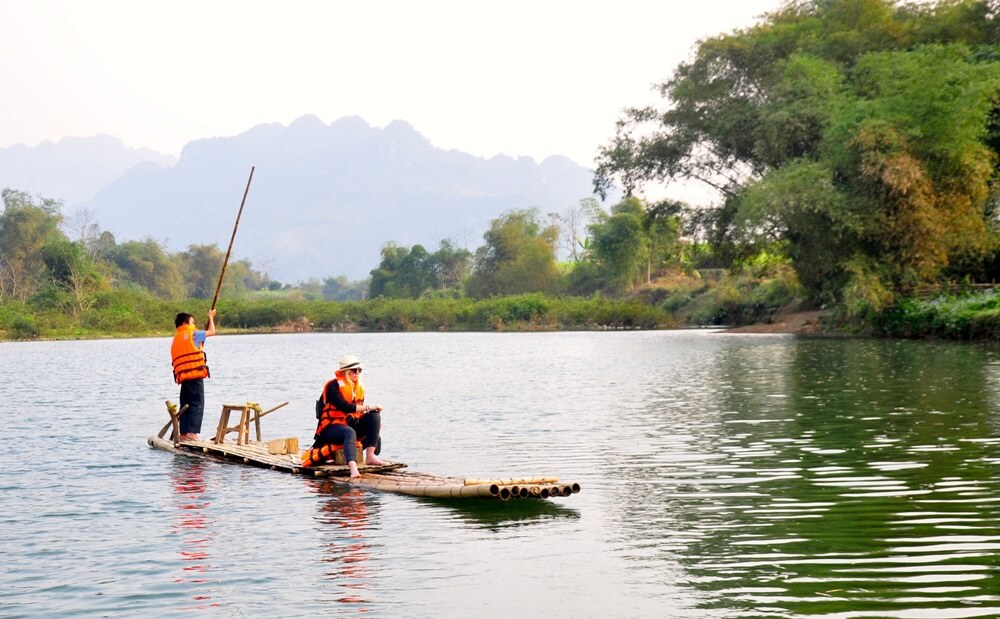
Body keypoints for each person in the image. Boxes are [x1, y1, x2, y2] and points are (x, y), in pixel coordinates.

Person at [302, 354, 384, 478]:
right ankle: (353, 468)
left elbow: (357, 412)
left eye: (359, 370)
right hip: (331, 429)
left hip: (350, 424)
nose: (357, 373)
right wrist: (369, 407)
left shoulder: (357, 387)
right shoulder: (332, 386)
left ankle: (371, 456)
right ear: (345, 372)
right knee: (349, 432)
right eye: (354, 371)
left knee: (374, 416)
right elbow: (345, 406)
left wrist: (372, 422)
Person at [170, 309, 216, 441]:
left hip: (183, 377)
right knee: (197, 403)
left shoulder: (176, 338)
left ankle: (183, 433)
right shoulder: (194, 334)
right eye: (192, 322)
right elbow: (212, 332)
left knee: (186, 404)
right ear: (186, 322)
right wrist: (211, 317)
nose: (194, 325)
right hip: (195, 374)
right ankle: (192, 433)